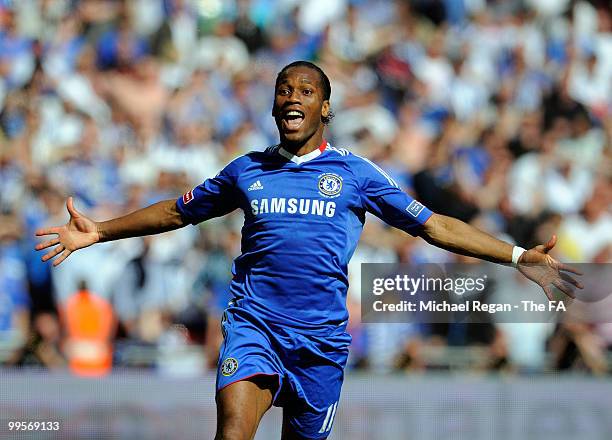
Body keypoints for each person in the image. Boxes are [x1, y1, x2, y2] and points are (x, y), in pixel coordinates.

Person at [35, 61, 581, 440]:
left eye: (305, 90)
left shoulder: (354, 173)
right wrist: (101, 230)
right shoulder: (246, 170)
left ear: (325, 107)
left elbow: (433, 226)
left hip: (320, 339)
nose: (292, 96)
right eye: (283, 89)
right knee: (231, 430)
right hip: (254, 325)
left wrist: (516, 257)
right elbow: (178, 211)